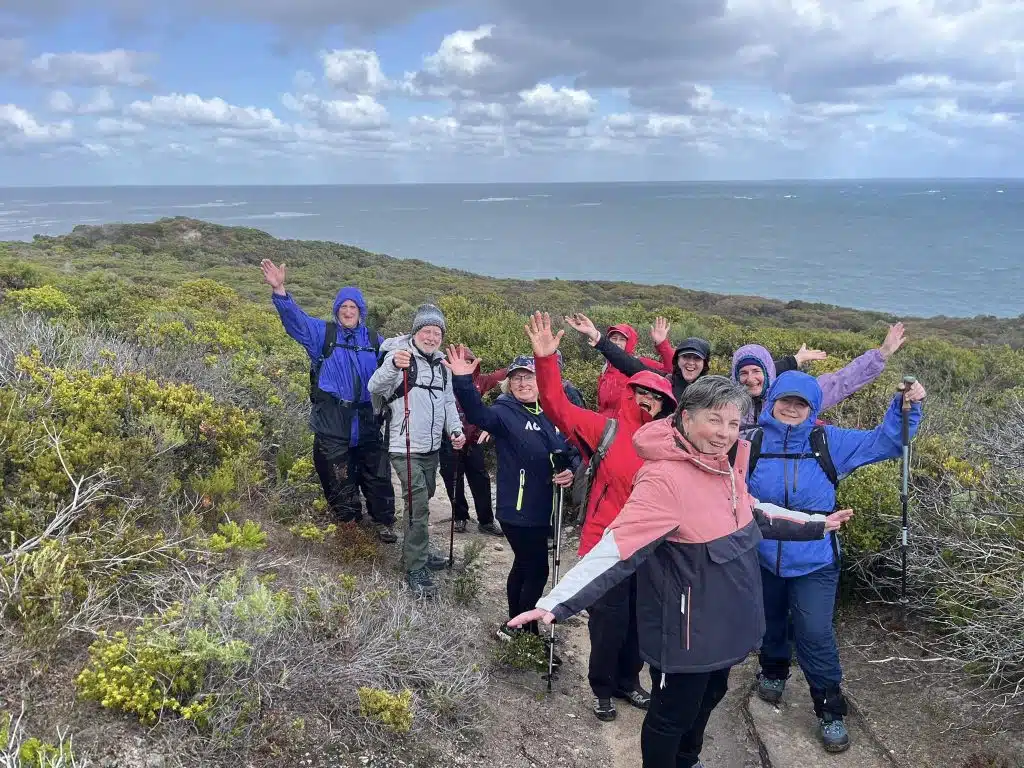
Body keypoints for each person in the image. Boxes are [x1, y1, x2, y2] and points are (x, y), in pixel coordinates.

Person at [508, 376, 853, 768]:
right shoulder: (664, 478)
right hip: (685, 632)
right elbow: (616, 547)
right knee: (671, 714)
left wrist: (817, 524)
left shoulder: (725, 466)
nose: (725, 433)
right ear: (686, 419)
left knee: (711, 695)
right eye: (714, 420)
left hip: (723, 624)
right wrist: (556, 602)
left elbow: (754, 511)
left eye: (733, 424)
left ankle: (688, 760)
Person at [749, 370, 925, 753]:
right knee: (769, 620)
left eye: (802, 403)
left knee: (814, 633)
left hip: (814, 560)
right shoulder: (753, 442)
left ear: (812, 408)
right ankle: (774, 671)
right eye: (786, 400)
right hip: (761, 557)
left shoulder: (828, 442)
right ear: (772, 401)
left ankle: (829, 708)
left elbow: (888, 441)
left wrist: (905, 408)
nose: (792, 409)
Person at [527, 311, 676, 722]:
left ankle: (630, 681)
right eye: (641, 392)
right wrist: (545, 362)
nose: (648, 400)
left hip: (650, 550)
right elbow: (556, 406)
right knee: (608, 622)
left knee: (639, 621)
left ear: (666, 405)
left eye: (657, 396)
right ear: (629, 392)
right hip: (605, 544)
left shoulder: (671, 444)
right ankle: (603, 688)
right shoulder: (607, 428)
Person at [260, 259, 397, 543]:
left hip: (368, 420)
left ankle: (384, 521)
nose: (348, 311)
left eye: (353, 308)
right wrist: (280, 290)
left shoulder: (374, 340)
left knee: (377, 475)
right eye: (343, 307)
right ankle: (349, 524)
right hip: (332, 421)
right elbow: (295, 320)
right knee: (338, 475)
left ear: (361, 312)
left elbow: (394, 367)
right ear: (337, 311)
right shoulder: (323, 335)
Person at [444, 346, 575, 641]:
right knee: (537, 569)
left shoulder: (553, 411)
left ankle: (513, 625)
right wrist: (463, 382)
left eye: (529, 377)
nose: (523, 383)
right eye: (516, 378)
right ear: (508, 383)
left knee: (523, 565)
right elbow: (478, 413)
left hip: (545, 507)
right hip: (517, 508)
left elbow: (572, 446)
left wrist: (571, 469)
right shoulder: (504, 412)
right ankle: (525, 631)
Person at [368, 304, 466, 598]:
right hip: (403, 446)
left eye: (437, 332)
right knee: (419, 504)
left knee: (422, 501)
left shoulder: (442, 367)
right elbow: (375, 386)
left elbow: (448, 403)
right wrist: (391, 366)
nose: (432, 337)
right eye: (427, 330)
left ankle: (417, 551)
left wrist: (456, 430)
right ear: (415, 332)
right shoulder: (400, 359)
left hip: (432, 448)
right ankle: (415, 568)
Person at [732, 322, 907, 431]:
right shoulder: (727, 401)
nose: (750, 378)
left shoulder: (790, 395)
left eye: (756, 371)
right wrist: (796, 359)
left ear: (767, 372)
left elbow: (840, 382)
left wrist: (881, 354)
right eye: (743, 373)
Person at [564, 313, 710, 402]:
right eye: (685, 357)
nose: (690, 363)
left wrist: (662, 344)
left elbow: (668, 368)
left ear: (705, 363)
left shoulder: (710, 391)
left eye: (696, 359)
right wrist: (596, 336)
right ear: (679, 360)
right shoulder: (605, 370)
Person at [439, 346, 505, 537]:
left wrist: (528, 362)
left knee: (481, 480)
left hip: (473, 439)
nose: (465, 365)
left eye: (469, 361)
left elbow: (499, 375)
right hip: (449, 439)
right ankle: (460, 516)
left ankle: (486, 521)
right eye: (461, 361)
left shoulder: (480, 381)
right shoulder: (442, 381)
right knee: (452, 479)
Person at [594, 318, 676, 416]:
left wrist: (662, 344)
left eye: (622, 339)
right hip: (608, 426)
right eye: (614, 338)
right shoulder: (605, 369)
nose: (617, 342)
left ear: (630, 342)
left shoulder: (639, 364)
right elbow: (602, 405)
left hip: (630, 425)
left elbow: (671, 371)